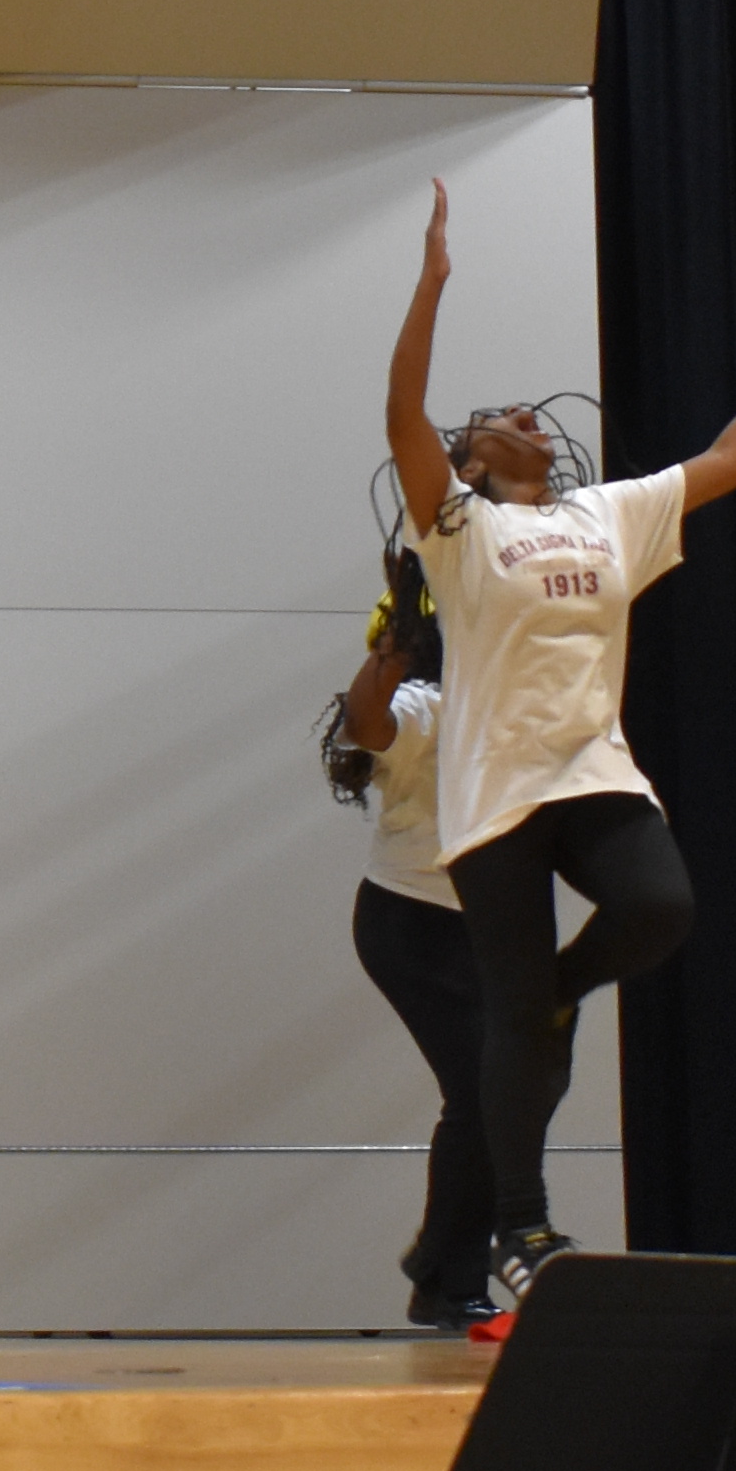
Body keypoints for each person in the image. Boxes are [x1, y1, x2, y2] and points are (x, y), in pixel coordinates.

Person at [382, 182, 736, 1330]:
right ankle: (521, 1227)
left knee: (659, 907)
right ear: (470, 456)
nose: (525, 415)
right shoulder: (462, 529)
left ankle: (552, 996)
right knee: (517, 1030)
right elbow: (401, 415)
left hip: (593, 771)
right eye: (497, 415)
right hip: (496, 796)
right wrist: (431, 286)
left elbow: (731, 458)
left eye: (530, 411)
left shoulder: (609, 513)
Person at [321, 547, 490, 1329]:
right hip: (412, 923)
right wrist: (390, 648)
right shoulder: (425, 705)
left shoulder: (503, 700)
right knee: (483, 1094)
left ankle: (444, 1274)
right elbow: (365, 722)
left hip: (486, 922)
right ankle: (446, 1278)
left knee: (509, 1096)